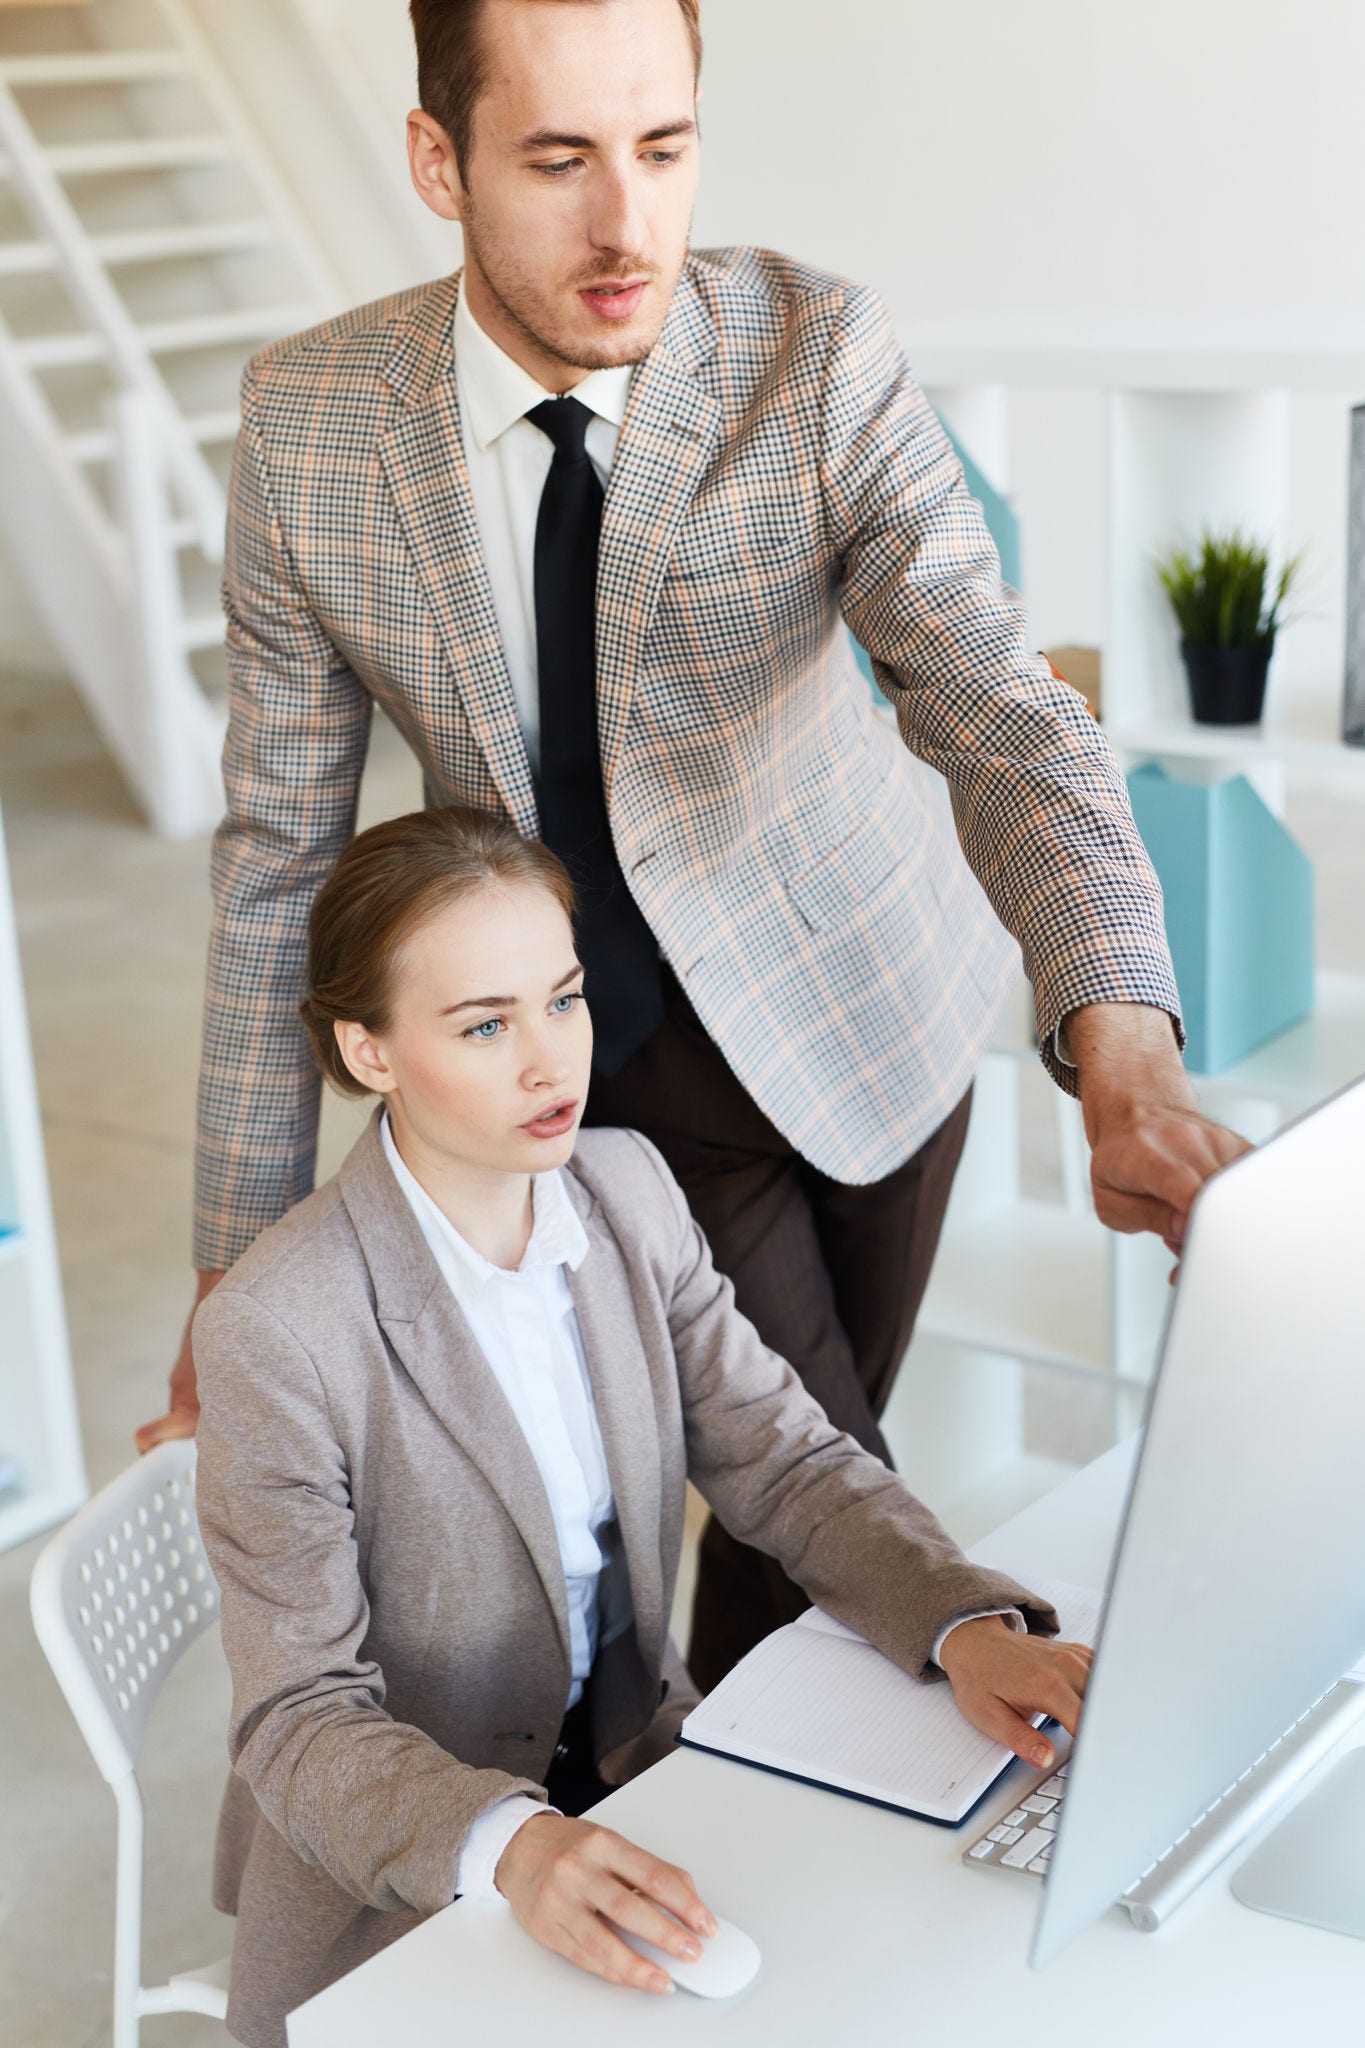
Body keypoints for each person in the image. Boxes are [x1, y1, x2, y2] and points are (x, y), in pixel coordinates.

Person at [140, 0, 1248, 1686]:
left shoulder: (811, 357)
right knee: (814, 1494)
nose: (626, 228)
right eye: (560, 159)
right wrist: (235, 1260)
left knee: (799, 1489)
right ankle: (747, 1850)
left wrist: (1126, 1047)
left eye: (663, 149)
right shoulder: (311, 428)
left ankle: (731, 1824)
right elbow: (279, 858)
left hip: (881, 1009)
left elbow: (998, 709)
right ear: (438, 161)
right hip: (614, 1060)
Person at [194, 805, 1094, 2048]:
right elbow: (296, 1719)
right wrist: (514, 1846)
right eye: (485, 1023)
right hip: (411, 1872)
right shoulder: (280, 1328)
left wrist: (962, 1617)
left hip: (639, 1772)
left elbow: (786, 1456)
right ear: (369, 1049)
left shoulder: (625, 1191)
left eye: (562, 999)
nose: (550, 1061)